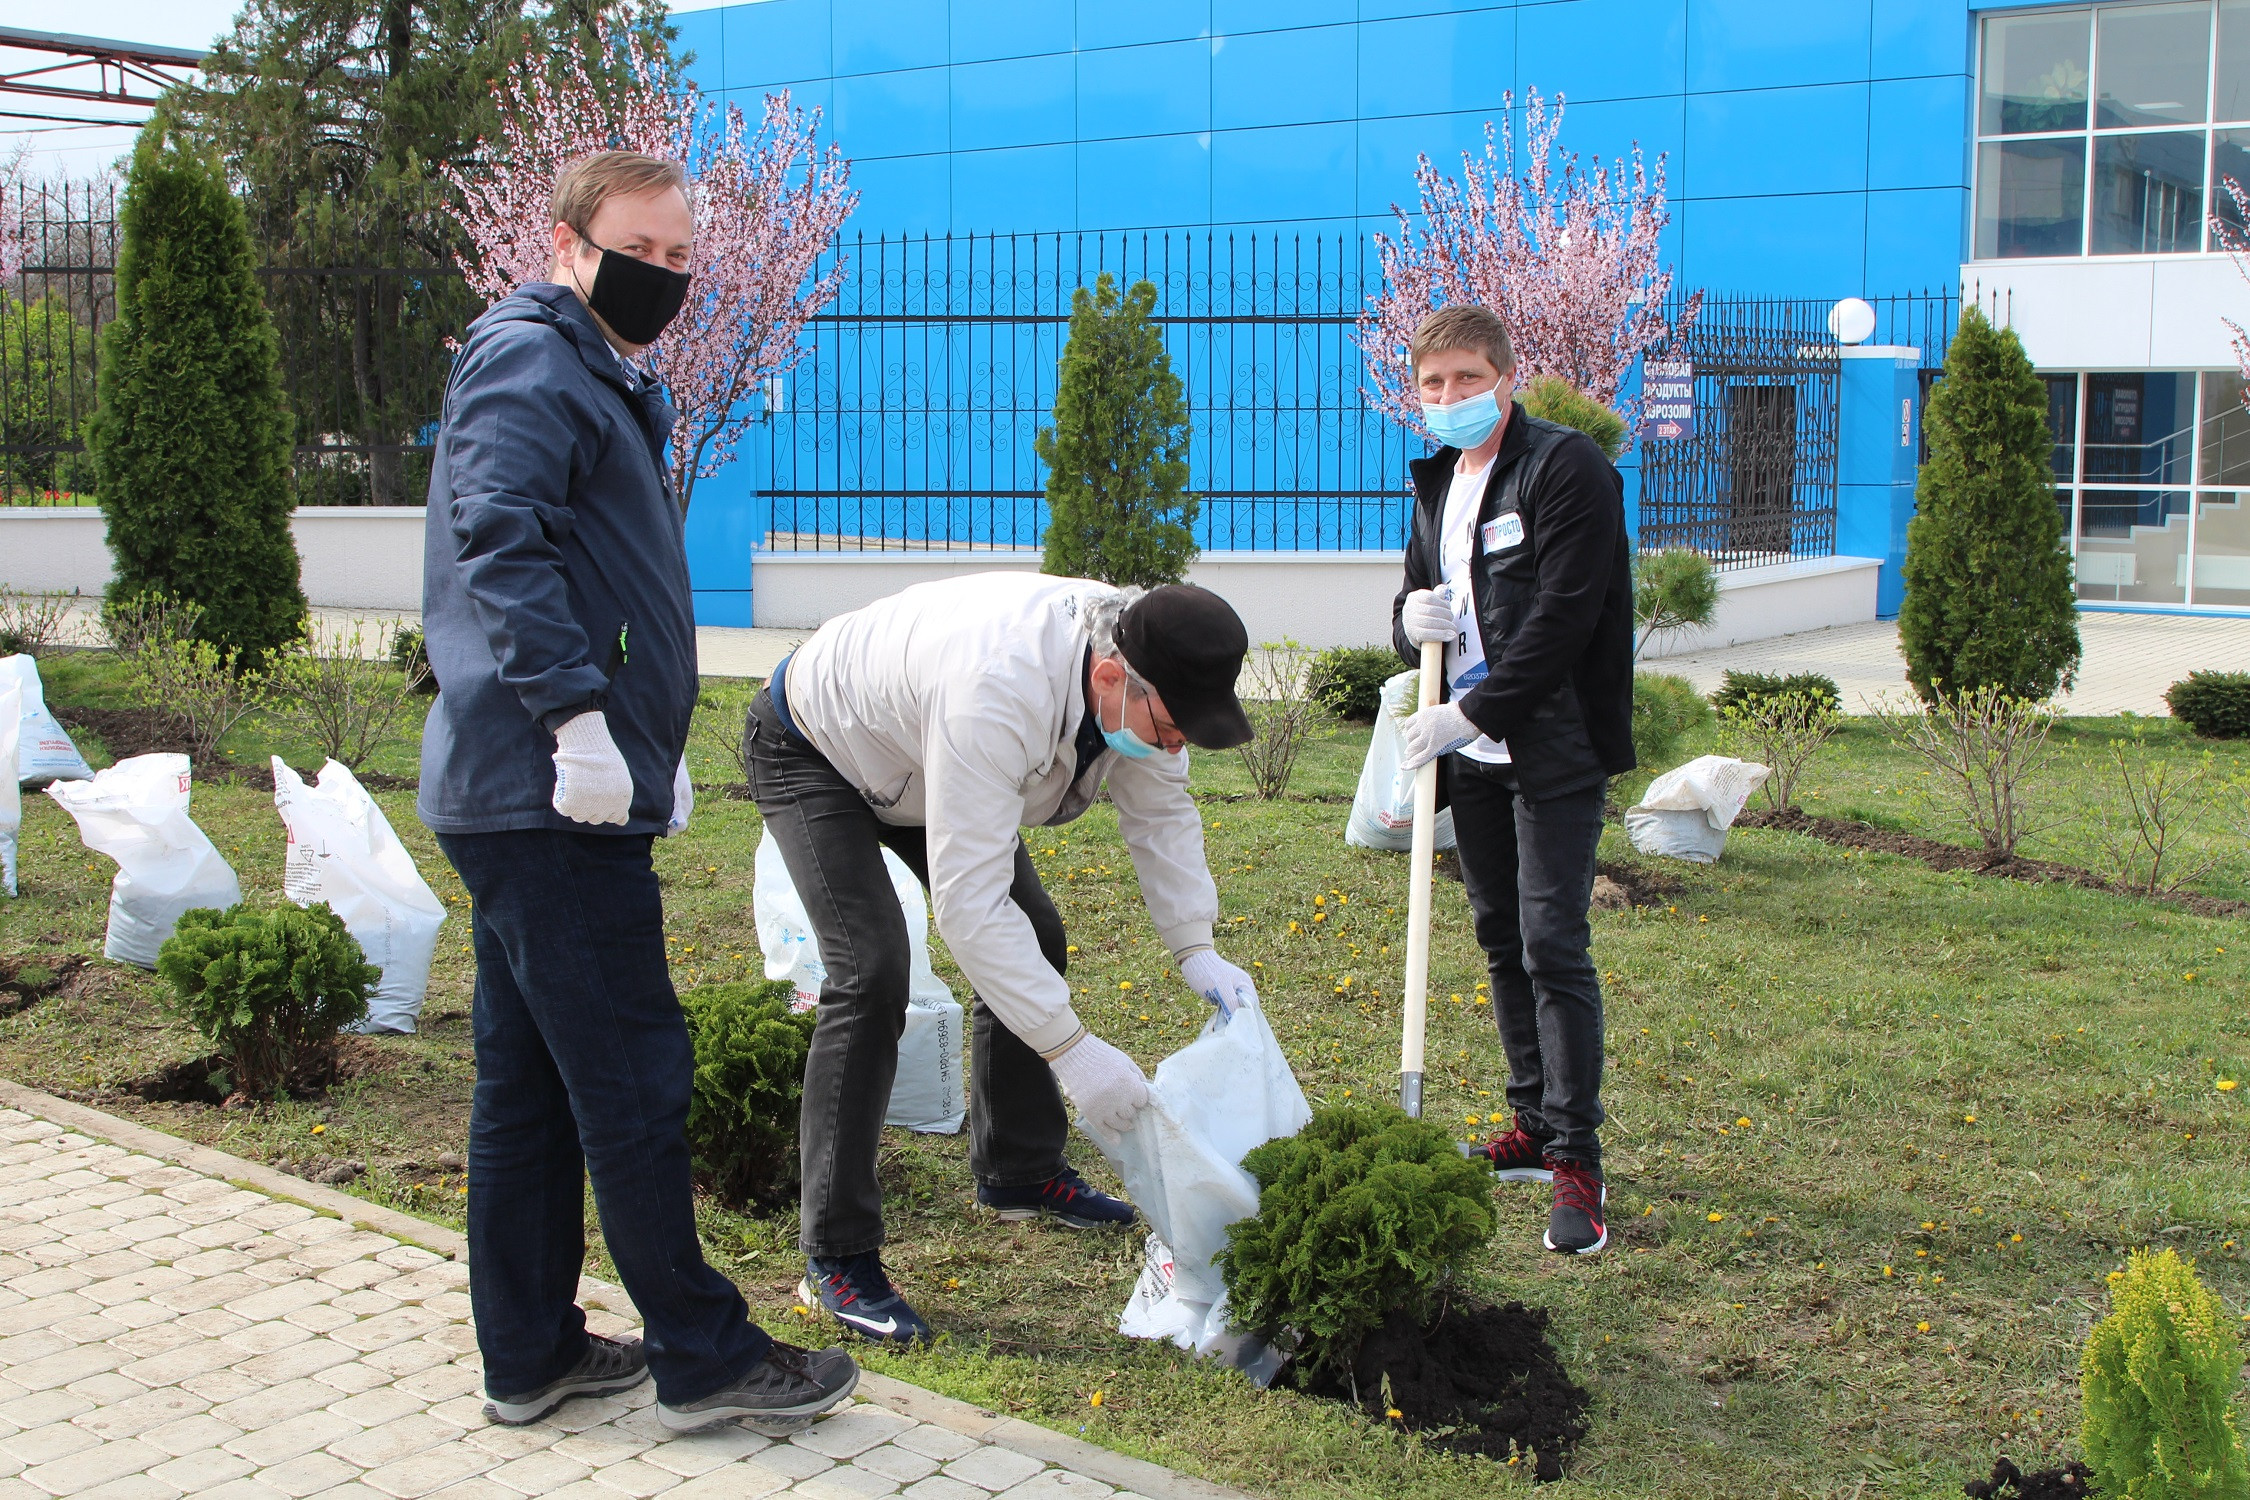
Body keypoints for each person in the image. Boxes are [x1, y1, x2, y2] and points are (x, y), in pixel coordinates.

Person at [418, 150, 858, 1432]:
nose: (663, 273)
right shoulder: (532, 360)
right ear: (566, 244)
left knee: (533, 1082)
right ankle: (705, 1355)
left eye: (680, 256)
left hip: (541, 790)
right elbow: (500, 540)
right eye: (638, 248)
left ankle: (532, 1350)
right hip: (545, 792)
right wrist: (576, 723)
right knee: (632, 1076)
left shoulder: (591, 371)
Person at [746, 573, 1263, 1342]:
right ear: (1112, 677)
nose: (1178, 741)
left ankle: (1019, 1171)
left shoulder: (1144, 672)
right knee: (873, 971)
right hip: (818, 745)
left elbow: (1162, 816)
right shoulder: (997, 685)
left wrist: (1195, 945)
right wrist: (1074, 1052)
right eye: (1174, 725)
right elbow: (970, 905)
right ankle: (838, 1255)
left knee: (1038, 933)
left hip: (926, 761)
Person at [1388, 304, 1635, 1257]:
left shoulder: (1565, 468)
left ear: (1504, 373)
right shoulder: (1439, 481)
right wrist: (1407, 622)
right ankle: (1530, 1121)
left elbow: (1567, 616)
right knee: (1498, 934)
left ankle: (1577, 1159)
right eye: (1432, 384)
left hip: (1551, 745)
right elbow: (1422, 607)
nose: (1447, 398)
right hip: (1475, 755)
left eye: (1464, 379)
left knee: (1551, 941)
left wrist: (1477, 712)